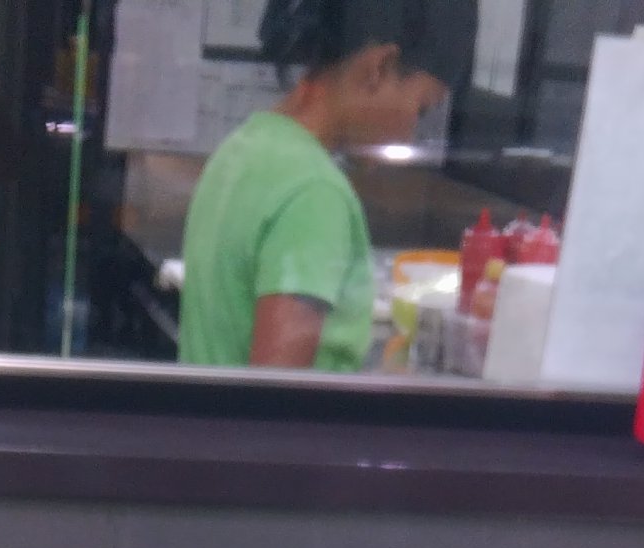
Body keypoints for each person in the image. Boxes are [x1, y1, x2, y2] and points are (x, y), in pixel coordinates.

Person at [177, 0, 449, 374]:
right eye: (420, 108)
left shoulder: (242, 148)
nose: (411, 134)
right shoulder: (315, 192)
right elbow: (277, 392)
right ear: (379, 68)